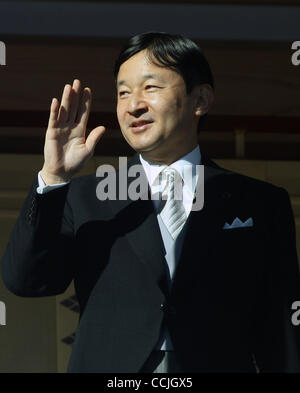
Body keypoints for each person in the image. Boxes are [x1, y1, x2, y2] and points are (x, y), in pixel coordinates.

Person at [1, 31, 300, 373]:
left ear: (200, 99)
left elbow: (281, 327)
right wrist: (53, 178)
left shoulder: (261, 203)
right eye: (123, 92)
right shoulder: (82, 197)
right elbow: (26, 281)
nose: (133, 104)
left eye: (150, 88)